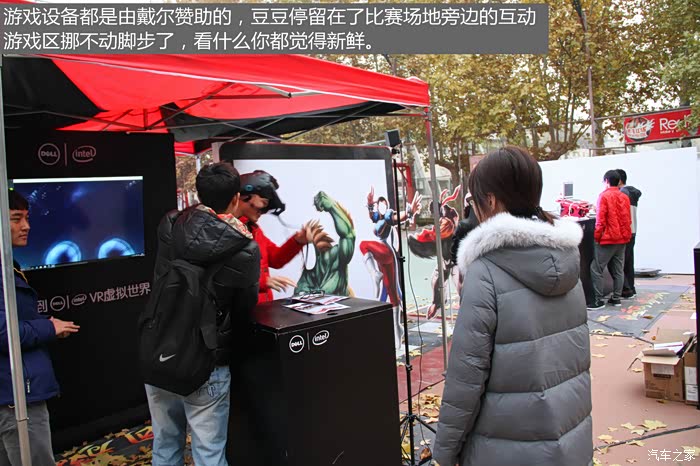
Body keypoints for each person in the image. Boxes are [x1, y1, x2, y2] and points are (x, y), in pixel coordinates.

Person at [433, 147, 592, 466]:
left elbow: (466, 378)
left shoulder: (486, 270)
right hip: (569, 440)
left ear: (490, 200)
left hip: (504, 447)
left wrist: (444, 452)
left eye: (475, 199)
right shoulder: (567, 259)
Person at [146, 163, 260, 466]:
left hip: (159, 348)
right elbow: (244, 308)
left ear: (199, 192)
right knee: (209, 453)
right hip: (207, 360)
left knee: (164, 444)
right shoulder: (245, 248)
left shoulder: (170, 224)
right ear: (235, 198)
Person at [0, 189, 80, 466]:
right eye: (16, 218)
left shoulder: (9, 265)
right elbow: (4, 333)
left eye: (27, 217)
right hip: (16, 396)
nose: (26, 226)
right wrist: (48, 327)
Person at [238, 170, 312, 302]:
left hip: (263, 308)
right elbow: (225, 276)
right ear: (244, 197)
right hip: (242, 308)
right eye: (263, 204)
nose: (262, 211)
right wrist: (262, 282)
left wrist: (297, 241)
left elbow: (275, 259)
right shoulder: (228, 231)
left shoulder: (255, 230)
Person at [588, 170, 632, 310]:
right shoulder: (624, 196)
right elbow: (628, 218)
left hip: (607, 239)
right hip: (622, 239)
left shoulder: (604, 196)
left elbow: (600, 220)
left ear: (606, 181)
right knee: (618, 270)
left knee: (596, 268)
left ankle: (598, 300)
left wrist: (597, 236)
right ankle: (616, 298)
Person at [616, 169, 641, 299]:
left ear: (619, 180)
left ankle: (626, 290)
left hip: (625, 232)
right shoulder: (632, 192)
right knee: (629, 262)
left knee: (619, 263)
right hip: (633, 230)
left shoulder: (622, 193)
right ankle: (631, 287)